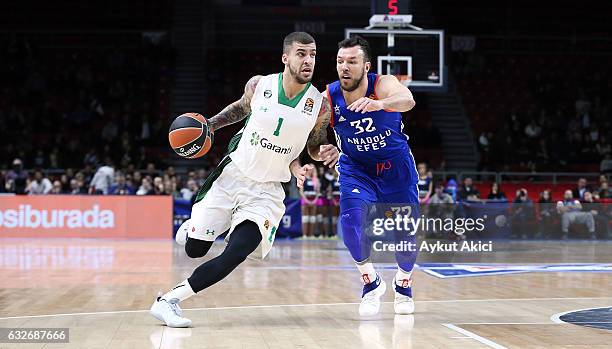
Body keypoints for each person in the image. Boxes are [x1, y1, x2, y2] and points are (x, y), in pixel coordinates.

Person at [150, 32, 339, 327]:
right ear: (285, 57)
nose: (309, 60)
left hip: (266, 192)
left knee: (237, 251)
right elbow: (240, 108)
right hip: (231, 176)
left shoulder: (320, 105)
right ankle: (192, 229)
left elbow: (314, 144)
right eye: (301, 53)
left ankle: (168, 301)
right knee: (194, 250)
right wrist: (210, 125)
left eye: (313, 54)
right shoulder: (259, 84)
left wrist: (319, 153)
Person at [325, 36, 417, 316]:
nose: (345, 67)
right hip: (357, 169)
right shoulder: (327, 97)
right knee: (352, 223)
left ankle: (403, 284)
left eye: (352, 61)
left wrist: (380, 104)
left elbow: (408, 99)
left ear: (366, 66)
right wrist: (321, 151)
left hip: (395, 168)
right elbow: (314, 140)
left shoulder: (383, 83)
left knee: (405, 236)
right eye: (340, 61)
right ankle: (370, 282)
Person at [299, 164, 320, 239]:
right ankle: (304, 235)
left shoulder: (315, 180)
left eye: (314, 169)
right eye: (311, 168)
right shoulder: (303, 178)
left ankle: (311, 235)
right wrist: (306, 200)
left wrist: (315, 200)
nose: (312, 170)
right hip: (305, 200)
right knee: (305, 218)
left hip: (313, 200)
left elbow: (318, 192)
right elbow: (301, 191)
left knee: (312, 218)